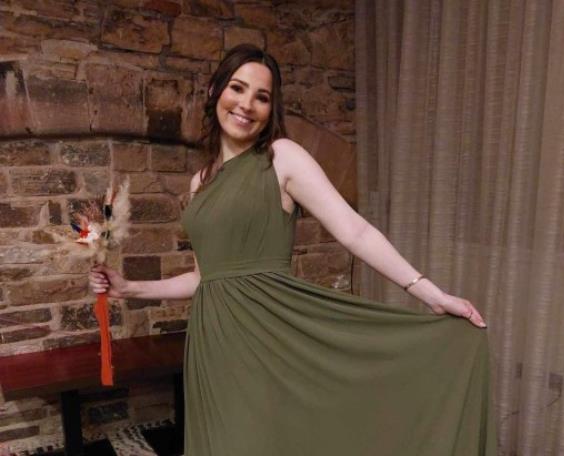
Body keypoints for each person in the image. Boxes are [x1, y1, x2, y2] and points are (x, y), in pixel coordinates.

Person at [90, 44, 496, 455]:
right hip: (214, 343)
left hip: (270, 336)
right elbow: (204, 276)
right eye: (237, 88)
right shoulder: (200, 183)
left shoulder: (282, 158)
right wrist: (130, 288)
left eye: (261, 97)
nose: (246, 105)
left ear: (271, 109)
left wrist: (430, 293)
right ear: (215, 91)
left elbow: (354, 231)